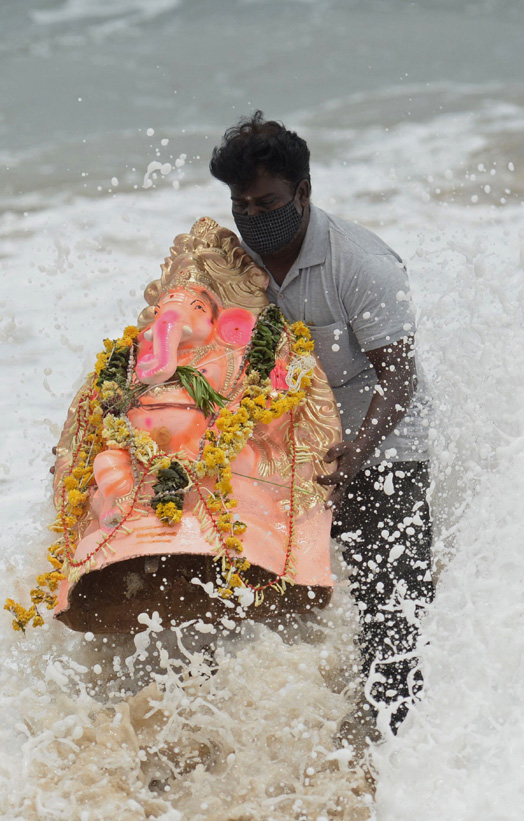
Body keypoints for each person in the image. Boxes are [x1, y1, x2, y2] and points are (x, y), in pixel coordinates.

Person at [210, 112, 433, 740]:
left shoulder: (359, 263)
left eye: (268, 202)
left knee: (391, 603)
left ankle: (399, 748)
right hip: (289, 446)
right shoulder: (233, 263)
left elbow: (401, 377)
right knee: (251, 595)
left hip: (381, 446)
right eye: (241, 205)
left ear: (303, 192)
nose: (254, 217)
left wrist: (360, 448)